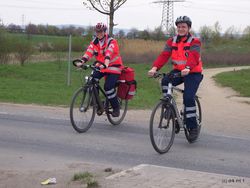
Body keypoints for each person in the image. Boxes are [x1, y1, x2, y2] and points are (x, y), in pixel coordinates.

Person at [148, 16, 203, 142]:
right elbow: (164, 55)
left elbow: (194, 56)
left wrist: (188, 67)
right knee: (165, 81)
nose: (181, 29)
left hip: (193, 72)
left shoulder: (195, 41)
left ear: (189, 28)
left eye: (184, 26)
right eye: (179, 27)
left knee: (188, 98)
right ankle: (170, 110)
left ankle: (192, 126)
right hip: (178, 71)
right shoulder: (171, 41)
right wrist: (154, 68)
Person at [76, 22, 123, 117]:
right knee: (91, 80)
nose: (98, 33)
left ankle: (116, 108)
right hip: (102, 66)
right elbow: (89, 52)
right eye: (97, 31)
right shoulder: (94, 42)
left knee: (108, 87)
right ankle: (98, 104)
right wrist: (82, 61)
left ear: (105, 31)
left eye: (100, 31)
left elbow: (109, 52)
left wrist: (106, 62)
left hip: (114, 66)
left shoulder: (111, 41)